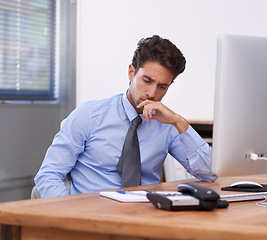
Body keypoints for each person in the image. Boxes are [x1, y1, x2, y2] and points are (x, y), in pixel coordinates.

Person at [34, 35, 217, 198]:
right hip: (90, 216)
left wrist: (179, 122)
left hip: (143, 218)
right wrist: (69, 216)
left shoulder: (168, 125)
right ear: (131, 72)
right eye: (147, 81)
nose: (152, 93)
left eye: (162, 86)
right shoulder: (89, 115)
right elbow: (49, 174)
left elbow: (210, 173)